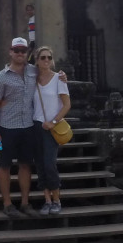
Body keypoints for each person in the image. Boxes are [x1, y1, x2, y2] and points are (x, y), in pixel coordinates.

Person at [0, 36, 66, 219]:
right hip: (5, 129)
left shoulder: (33, 71)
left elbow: (49, 73)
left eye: (23, 51)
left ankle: (25, 202)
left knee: (25, 164)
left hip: (28, 128)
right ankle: (7, 204)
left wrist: (62, 76)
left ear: (27, 53)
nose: (20, 54)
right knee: (4, 163)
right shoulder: (0, 78)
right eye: (17, 50)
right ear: (10, 52)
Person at [31, 45, 71, 216]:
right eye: (42, 58)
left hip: (51, 127)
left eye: (48, 57)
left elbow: (67, 104)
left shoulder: (58, 79)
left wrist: (54, 121)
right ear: (37, 61)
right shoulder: (32, 79)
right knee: (39, 165)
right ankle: (47, 200)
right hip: (35, 126)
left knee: (49, 164)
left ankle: (57, 200)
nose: (46, 60)